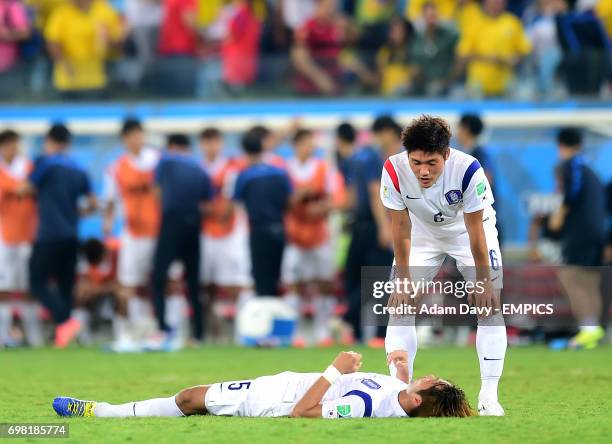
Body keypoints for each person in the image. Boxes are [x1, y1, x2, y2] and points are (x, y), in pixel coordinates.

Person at [380, 116, 505, 416]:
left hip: (468, 233)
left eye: (432, 163)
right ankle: (396, 392)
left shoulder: (468, 170)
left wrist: (483, 281)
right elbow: (399, 228)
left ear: (446, 154)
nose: (423, 171)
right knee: (400, 304)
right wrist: (403, 280)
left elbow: (476, 233)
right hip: (421, 233)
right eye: (416, 162)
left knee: (488, 306)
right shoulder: (393, 170)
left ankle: (489, 395)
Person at [52, 350, 474, 418]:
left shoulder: (364, 409)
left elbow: (303, 414)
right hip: (283, 382)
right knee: (193, 396)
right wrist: (399, 373)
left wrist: (335, 368)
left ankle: (98, 410)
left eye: (438, 382)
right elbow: (394, 399)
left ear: (420, 398)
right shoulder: (400, 395)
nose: (435, 374)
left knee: (188, 398)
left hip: (278, 399)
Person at [26, 123, 97, 348]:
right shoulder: (78, 168)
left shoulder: (45, 163)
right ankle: (63, 336)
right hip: (71, 235)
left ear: (49, 141)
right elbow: (93, 202)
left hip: (48, 234)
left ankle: (65, 321)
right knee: (66, 286)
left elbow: (26, 188)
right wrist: (77, 212)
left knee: (36, 281)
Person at [102, 118, 160, 350]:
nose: (136, 139)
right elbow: (110, 201)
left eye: (139, 134)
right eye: (131, 136)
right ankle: (130, 329)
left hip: (158, 231)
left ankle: (160, 328)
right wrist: (107, 225)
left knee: (164, 282)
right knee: (128, 284)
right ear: (124, 139)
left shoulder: (157, 162)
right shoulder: (116, 168)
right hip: (133, 234)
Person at [282, 128, 342, 346]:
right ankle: (295, 332)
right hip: (294, 234)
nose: (310, 147)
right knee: (294, 284)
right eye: (306, 143)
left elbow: (336, 199)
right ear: (296, 145)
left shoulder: (323, 169)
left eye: (312, 143)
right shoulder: (285, 169)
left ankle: (322, 330)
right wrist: (299, 196)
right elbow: (282, 200)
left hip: (319, 234)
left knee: (323, 283)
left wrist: (323, 207)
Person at [151, 134, 212, 346]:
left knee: (159, 277)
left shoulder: (166, 161)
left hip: (172, 221)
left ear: (172, 146)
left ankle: (162, 328)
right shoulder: (200, 169)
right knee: (193, 281)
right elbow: (207, 203)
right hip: (194, 223)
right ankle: (198, 333)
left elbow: (157, 192)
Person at [343, 116, 399, 346]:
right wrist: (384, 227)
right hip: (374, 225)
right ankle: (376, 333)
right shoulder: (376, 158)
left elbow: (357, 193)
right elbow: (375, 191)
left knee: (358, 279)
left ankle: (354, 329)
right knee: (378, 280)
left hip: (361, 224)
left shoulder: (362, 156)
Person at [549, 127, 606, 349]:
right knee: (590, 281)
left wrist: (560, 213)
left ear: (561, 145)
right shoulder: (591, 170)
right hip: (596, 231)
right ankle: (592, 333)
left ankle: (588, 328)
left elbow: (572, 191)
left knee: (569, 275)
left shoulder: (571, 164)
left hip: (580, 230)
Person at [198, 128, 253, 336]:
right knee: (207, 285)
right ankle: (212, 327)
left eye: (215, 141)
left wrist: (215, 210)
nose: (211, 146)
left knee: (236, 284)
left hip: (231, 234)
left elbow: (230, 205)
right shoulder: (199, 169)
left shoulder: (232, 168)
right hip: (206, 233)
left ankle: (243, 330)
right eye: (207, 142)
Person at [232, 127, 292, 297]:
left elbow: (235, 202)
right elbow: (289, 202)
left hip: (258, 231)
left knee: (260, 278)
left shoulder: (245, 176)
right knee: (275, 278)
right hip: (279, 229)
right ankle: (371, 320)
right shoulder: (280, 172)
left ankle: (264, 317)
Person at [0, 129, 41, 347]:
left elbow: (35, 190)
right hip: (4, 237)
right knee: (3, 289)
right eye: (10, 145)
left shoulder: (28, 168)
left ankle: (34, 337)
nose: (14, 149)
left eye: (16, 144)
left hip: (27, 235)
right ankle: (2, 335)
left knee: (27, 288)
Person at [456, 0, 532, 97]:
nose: (495, 5)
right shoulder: (474, 23)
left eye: (499, 2)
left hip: (506, 82)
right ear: (485, 3)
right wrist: (489, 58)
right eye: (492, 2)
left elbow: (524, 50)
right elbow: (463, 54)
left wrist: (514, 59)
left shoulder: (513, 22)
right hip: (478, 84)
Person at [456, 113, 502, 244]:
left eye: (459, 128)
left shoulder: (480, 153)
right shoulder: (465, 153)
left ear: (466, 129)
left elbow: (487, 180)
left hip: (482, 217)